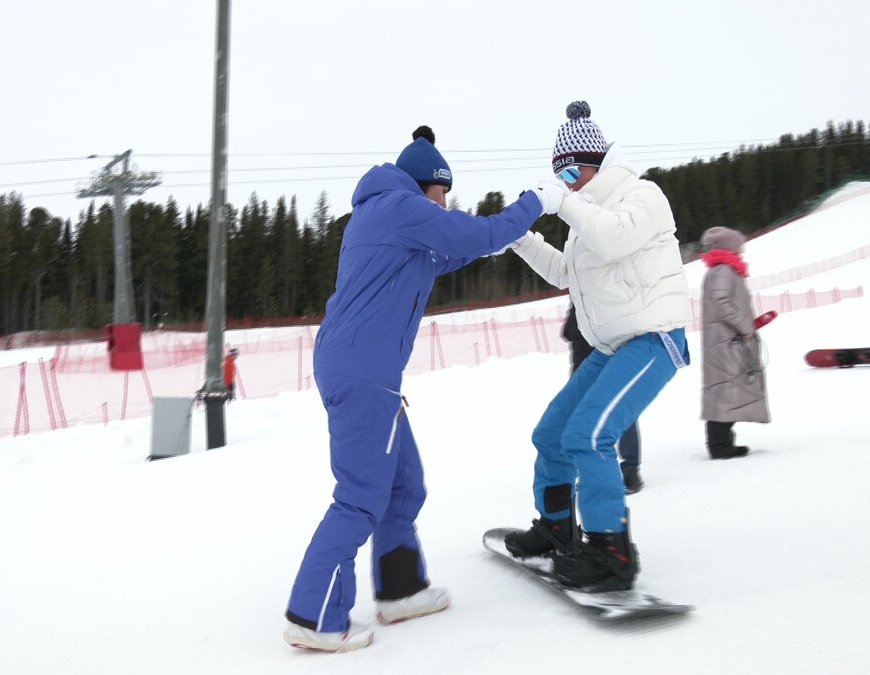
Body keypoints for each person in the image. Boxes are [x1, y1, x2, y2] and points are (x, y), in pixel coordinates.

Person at [284, 126, 565, 652]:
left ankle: (401, 589)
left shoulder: (385, 215)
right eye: (444, 193)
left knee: (402, 483)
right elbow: (467, 235)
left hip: (364, 370)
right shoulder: (399, 206)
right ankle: (314, 615)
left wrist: (492, 242)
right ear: (428, 185)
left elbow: (446, 254)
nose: (446, 203)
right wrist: (536, 201)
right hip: (364, 373)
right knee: (361, 496)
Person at [504, 101, 692, 592]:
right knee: (552, 434)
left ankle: (611, 551)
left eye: (569, 171)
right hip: (611, 344)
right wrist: (519, 238)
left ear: (597, 163)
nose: (564, 182)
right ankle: (556, 527)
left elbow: (615, 239)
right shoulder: (583, 215)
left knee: (589, 437)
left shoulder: (641, 195)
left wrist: (564, 204)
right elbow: (568, 274)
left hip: (654, 338)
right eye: (557, 175)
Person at [699, 226, 769, 458]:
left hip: (725, 340)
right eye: (739, 245)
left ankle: (722, 442)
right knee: (726, 388)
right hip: (727, 341)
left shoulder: (722, 270)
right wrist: (745, 326)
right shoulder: (724, 271)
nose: (742, 250)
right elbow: (722, 302)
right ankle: (720, 446)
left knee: (726, 388)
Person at [562, 306, 643, 494]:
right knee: (621, 416)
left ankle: (611, 471)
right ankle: (628, 469)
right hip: (603, 370)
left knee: (590, 422)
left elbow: (568, 332)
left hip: (592, 372)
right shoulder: (606, 304)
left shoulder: (584, 305)